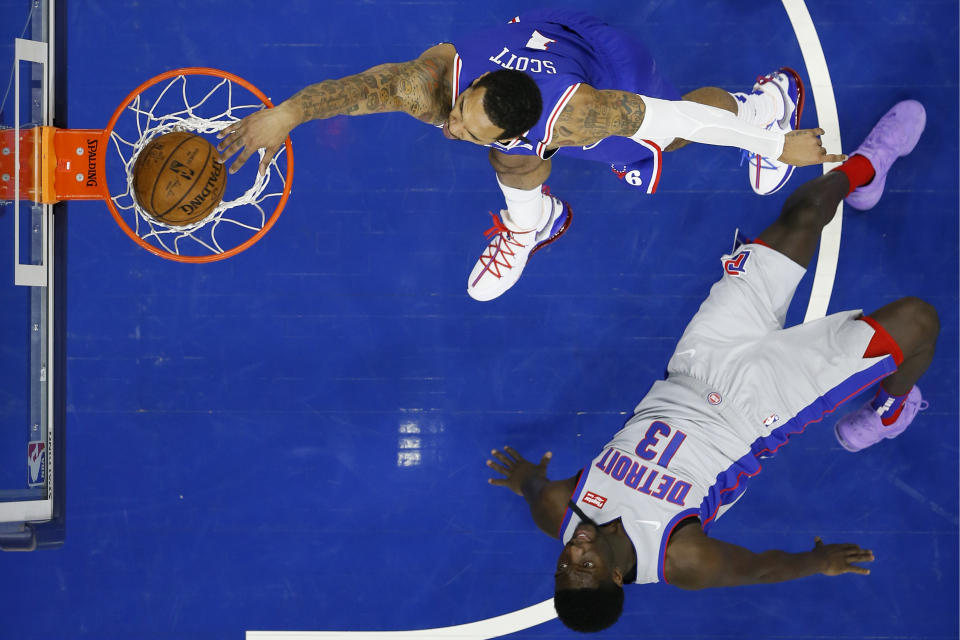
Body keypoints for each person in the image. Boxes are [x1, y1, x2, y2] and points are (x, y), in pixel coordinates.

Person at [484, 100, 935, 632]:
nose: (573, 553)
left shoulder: (561, 512)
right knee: (918, 320)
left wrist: (525, 479)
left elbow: (538, 492)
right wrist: (820, 562)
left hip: (698, 359)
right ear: (612, 578)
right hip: (761, 408)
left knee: (801, 217)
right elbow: (760, 569)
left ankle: (865, 168)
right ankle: (890, 407)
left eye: (563, 566)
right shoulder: (679, 559)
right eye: (584, 566)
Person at [216, 10, 845, 301]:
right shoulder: (433, 87)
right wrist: (287, 113)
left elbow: (677, 117)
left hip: (604, 63)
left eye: (466, 128)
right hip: (544, 40)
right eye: (461, 111)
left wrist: (776, 144)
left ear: (523, 124)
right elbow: (358, 91)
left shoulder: (581, 116)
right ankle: (532, 222)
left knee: (671, 140)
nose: (451, 127)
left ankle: (765, 102)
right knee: (508, 164)